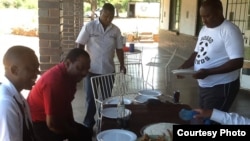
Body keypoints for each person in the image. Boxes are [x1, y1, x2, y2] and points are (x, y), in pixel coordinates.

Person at [177, 0, 244, 113]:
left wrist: (208, 72)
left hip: (221, 86)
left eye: (207, 16)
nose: (203, 20)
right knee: (204, 116)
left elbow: (237, 62)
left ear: (219, 13)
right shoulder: (204, 29)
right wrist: (183, 67)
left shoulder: (229, 30)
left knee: (212, 120)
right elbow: (197, 53)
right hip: (205, 85)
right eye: (202, 16)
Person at [75, 3, 126, 131]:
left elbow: (120, 49)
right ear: (101, 13)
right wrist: (81, 64)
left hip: (108, 71)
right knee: (91, 99)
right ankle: (88, 124)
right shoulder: (90, 27)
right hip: (91, 70)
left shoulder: (116, 30)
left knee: (106, 99)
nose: (108, 19)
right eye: (106, 16)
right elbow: (80, 44)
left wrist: (122, 65)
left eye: (111, 17)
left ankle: (104, 123)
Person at [27, 48, 92, 141]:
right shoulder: (54, 82)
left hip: (54, 117)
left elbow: (67, 104)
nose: (85, 73)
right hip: (39, 123)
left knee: (85, 133)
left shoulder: (71, 76)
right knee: (79, 136)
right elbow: (52, 124)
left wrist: (72, 124)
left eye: (87, 69)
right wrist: (72, 132)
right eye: (80, 68)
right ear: (68, 63)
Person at [0, 46, 39, 141]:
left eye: (37, 68)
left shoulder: (16, 95)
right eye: (32, 69)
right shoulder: (6, 103)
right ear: (14, 70)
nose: (37, 73)